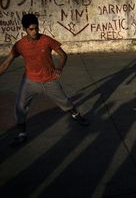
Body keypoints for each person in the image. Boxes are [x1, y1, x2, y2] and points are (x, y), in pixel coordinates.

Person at [0, 13, 88, 147]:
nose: (35, 31)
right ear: (25, 29)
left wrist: (59, 68)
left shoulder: (46, 40)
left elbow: (63, 55)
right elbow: (7, 63)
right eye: (31, 29)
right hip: (30, 81)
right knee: (20, 107)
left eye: (36, 28)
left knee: (64, 101)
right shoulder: (20, 45)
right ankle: (22, 134)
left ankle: (76, 115)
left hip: (49, 79)